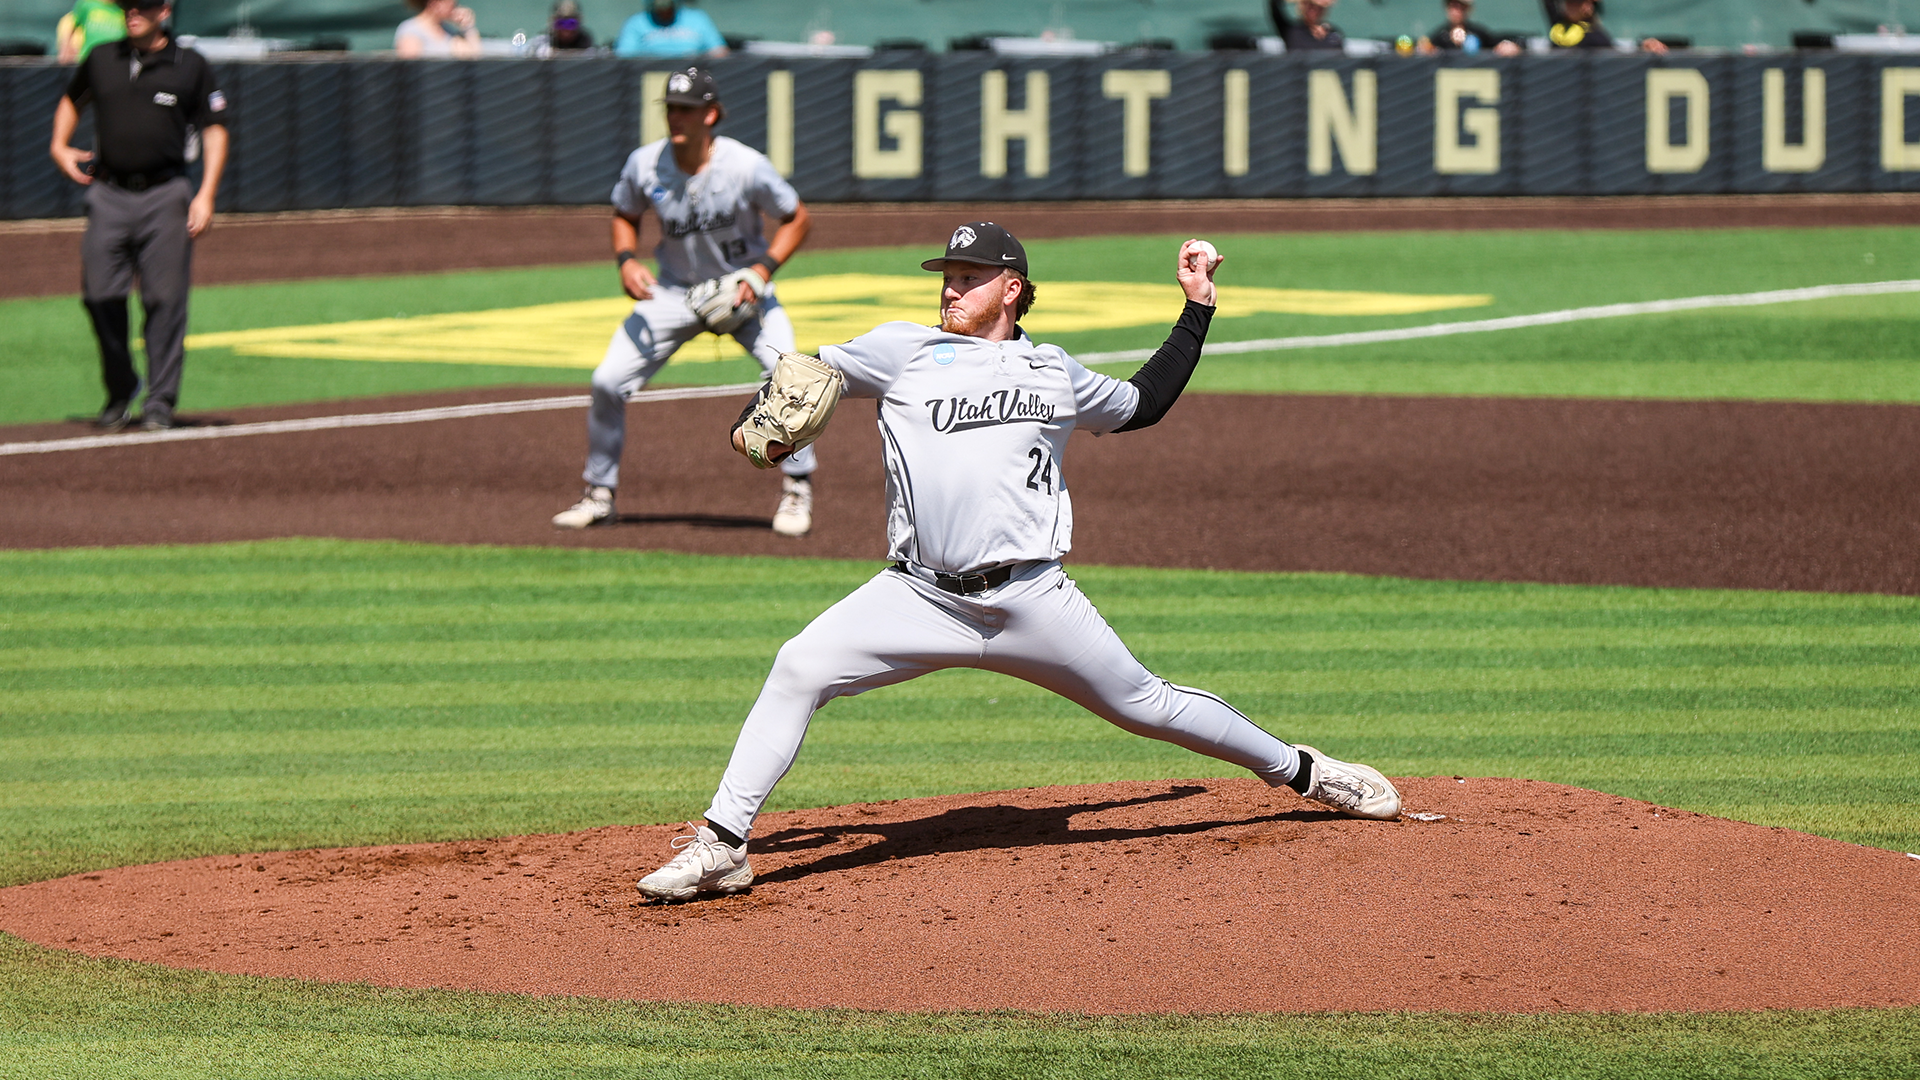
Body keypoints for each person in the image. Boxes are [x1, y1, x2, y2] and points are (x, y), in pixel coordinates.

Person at [633, 224, 1403, 902]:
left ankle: (1303, 772)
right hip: (919, 597)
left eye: (968, 277)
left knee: (1147, 704)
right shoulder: (903, 348)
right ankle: (724, 846)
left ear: (1012, 288)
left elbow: (1143, 403)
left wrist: (1196, 308)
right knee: (798, 666)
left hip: (1034, 599)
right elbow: (806, 371)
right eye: (946, 277)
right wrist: (766, 401)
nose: (951, 290)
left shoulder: (1055, 371)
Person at [551, 67, 816, 535]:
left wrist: (762, 270)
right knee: (608, 381)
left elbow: (797, 218)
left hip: (742, 290)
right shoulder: (645, 164)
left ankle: (796, 489)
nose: (676, 117)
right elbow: (624, 213)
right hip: (672, 293)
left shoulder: (745, 165)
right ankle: (599, 492)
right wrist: (626, 260)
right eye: (671, 108)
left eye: (687, 110)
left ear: (710, 114)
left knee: (788, 373)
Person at [49, 0, 228, 432]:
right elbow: (72, 99)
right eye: (128, 5)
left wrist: (206, 194)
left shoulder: (189, 64)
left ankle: (160, 402)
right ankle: (122, 384)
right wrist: (59, 145)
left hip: (166, 193)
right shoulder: (102, 58)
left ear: (164, 10)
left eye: (144, 5)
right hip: (108, 193)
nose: (133, 11)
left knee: (164, 302)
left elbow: (215, 128)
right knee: (98, 295)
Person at [1542, 0, 1666, 54]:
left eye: (1576, 2)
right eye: (1569, 1)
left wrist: (1642, 46)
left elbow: (1617, 54)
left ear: (1588, 6)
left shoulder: (1594, 34)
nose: (1570, 5)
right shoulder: (1558, 21)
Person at [614, 0, 726, 58]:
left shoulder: (698, 18)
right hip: (650, 78)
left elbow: (719, 52)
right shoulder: (636, 22)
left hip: (692, 77)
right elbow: (624, 58)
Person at [1420, 0, 1521, 55]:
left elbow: (1497, 43)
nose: (1456, 11)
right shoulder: (1440, 35)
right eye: (1453, 6)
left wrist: (1509, 46)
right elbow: (1425, 47)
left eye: (1461, 7)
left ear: (1468, 9)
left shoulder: (1478, 33)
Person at [395, 0, 481, 58]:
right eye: (452, 4)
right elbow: (410, 69)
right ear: (435, 3)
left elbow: (474, 57)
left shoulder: (449, 31)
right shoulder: (410, 30)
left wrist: (468, 26)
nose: (455, 8)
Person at [55, 0, 125, 64]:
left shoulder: (124, 9)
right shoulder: (88, 3)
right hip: (88, 60)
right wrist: (66, 48)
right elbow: (72, 25)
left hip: (115, 61)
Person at [1267, 0, 1344, 51]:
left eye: (1319, 8)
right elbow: (1274, 6)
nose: (1314, 10)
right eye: (1310, 6)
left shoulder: (1333, 34)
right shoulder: (1290, 30)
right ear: (1302, 6)